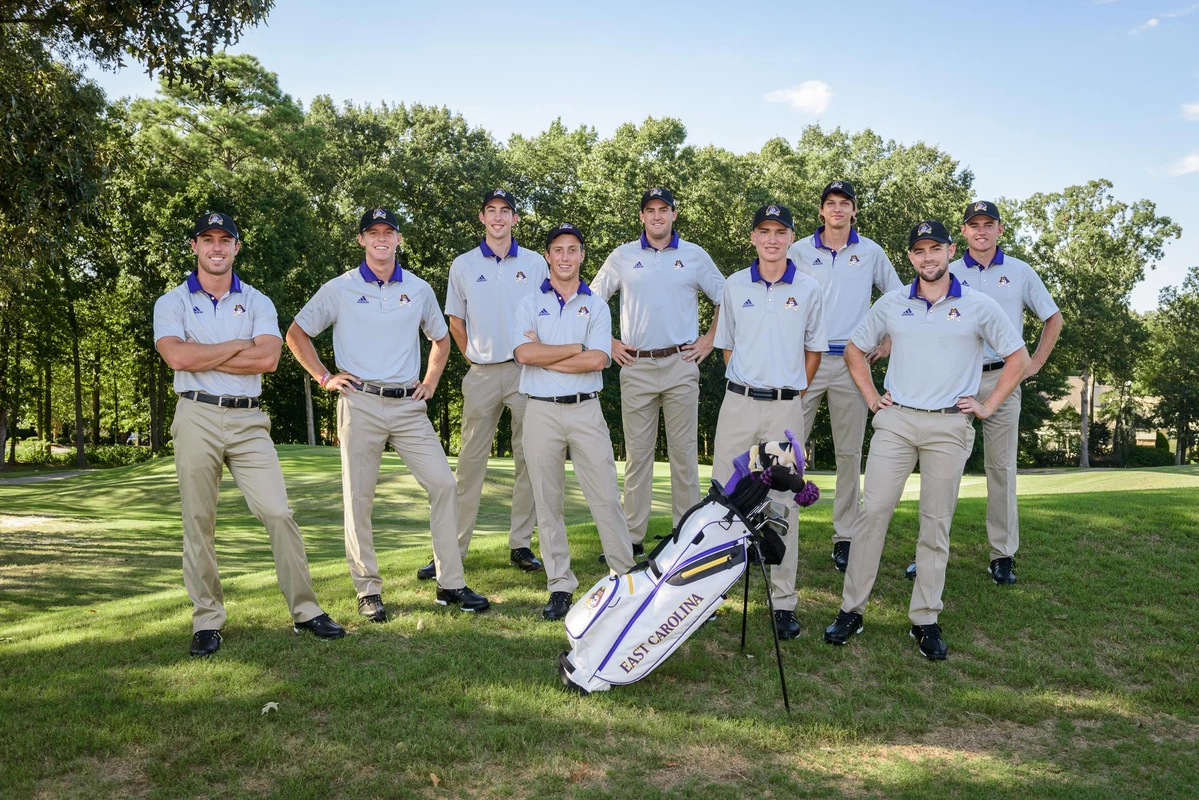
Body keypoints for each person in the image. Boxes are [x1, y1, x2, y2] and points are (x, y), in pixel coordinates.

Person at [823, 220, 1028, 660]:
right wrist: (872, 397)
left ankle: (925, 618)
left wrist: (988, 407)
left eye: (935, 249)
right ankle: (851, 610)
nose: (928, 257)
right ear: (910, 258)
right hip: (896, 423)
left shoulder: (979, 305)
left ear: (951, 251)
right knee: (872, 513)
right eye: (919, 251)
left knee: (935, 524)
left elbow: (1018, 356)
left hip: (949, 427)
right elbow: (856, 348)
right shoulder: (893, 302)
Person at [153, 211, 345, 657]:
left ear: (237, 247)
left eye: (225, 240)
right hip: (195, 414)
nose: (217, 248)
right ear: (195, 247)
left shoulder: (258, 300)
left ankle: (306, 610)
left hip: (248, 419)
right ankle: (207, 621)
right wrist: (239, 345)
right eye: (208, 240)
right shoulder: (173, 301)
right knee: (199, 522)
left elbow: (269, 360)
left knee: (278, 512)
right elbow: (176, 358)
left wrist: (204, 354)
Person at [286, 207, 489, 622]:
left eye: (388, 232)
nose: (381, 238)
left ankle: (450, 583)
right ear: (362, 240)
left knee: (444, 485)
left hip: (408, 405)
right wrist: (324, 377)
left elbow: (440, 338)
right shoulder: (340, 288)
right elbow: (296, 332)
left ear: (399, 238)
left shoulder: (417, 289)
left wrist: (430, 382)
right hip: (359, 401)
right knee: (358, 499)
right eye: (372, 232)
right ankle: (367, 590)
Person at [415, 189, 548, 582]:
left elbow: (547, 315)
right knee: (470, 465)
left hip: (527, 372)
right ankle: (450, 552)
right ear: (482, 217)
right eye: (491, 211)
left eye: (505, 211)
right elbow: (455, 321)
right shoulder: (463, 264)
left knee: (531, 459)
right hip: (483, 372)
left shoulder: (537, 263)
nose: (498, 218)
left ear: (515, 219)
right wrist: (470, 355)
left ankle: (521, 544)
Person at [711, 203, 827, 640]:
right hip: (738, 403)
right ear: (754, 238)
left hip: (784, 408)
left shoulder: (810, 289)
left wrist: (788, 391)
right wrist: (751, 383)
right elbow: (727, 347)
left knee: (782, 503)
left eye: (781, 232)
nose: (772, 239)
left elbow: (813, 351)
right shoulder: (734, 284)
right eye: (765, 231)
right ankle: (714, 591)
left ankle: (782, 601)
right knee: (726, 497)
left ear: (790, 238)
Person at [591, 187, 725, 555]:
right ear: (642, 217)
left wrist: (710, 339)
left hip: (681, 363)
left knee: (684, 455)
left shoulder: (694, 255)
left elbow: (726, 298)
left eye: (663, 209)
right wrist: (609, 343)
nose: (657, 216)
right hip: (636, 365)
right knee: (638, 456)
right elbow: (590, 301)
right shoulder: (622, 256)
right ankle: (632, 537)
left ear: (674, 214)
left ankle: (686, 537)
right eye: (649, 210)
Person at [512, 223, 636, 621]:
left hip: (586, 409)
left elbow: (598, 360)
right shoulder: (529, 302)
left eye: (572, 250)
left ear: (582, 256)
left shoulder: (596, 306)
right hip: (541, 411)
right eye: (558, 250)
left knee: (605, 498)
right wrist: (576, 348)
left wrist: (549, 352)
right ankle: (560, 585)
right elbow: (524, 355)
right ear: (548, 256)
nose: (565, 257)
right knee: (548, 504)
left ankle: (626, 579)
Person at [788, 180, 903, 572]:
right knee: (788, 451)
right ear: (821, 210)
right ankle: (778, 530)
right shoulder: (799, 250)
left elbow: (899, 297)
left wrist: (887, 341)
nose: (837, 209)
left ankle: (845, 538)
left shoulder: (870, 251)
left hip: (853, 364)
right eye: (830, 203)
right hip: (806, 360)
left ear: (854, 210)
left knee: (849, 456)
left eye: (845, 204)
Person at [946, 200, 1063, 585]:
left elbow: (1053, 317)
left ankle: (1002, 555)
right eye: (974, 224)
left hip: (1002, 380)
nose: (981, 230)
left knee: (1001, 469)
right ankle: (932, 550)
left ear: (999, 229)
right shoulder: (946, 270)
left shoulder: (1019, 271)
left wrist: (1035, 365)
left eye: (988, 224)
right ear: (963, 231)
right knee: (942, 468)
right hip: (953, 380)